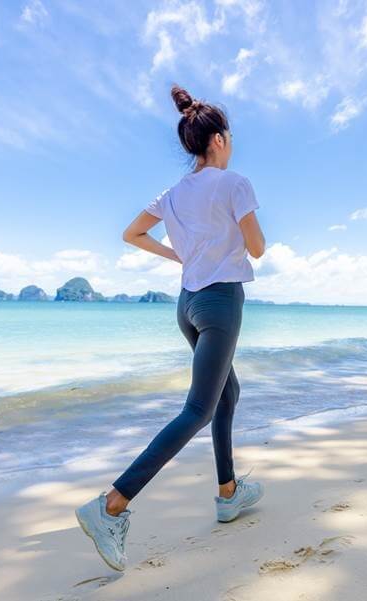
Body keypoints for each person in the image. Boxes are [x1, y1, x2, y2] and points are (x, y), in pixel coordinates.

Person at [75, 84, 267, 572]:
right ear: (219, 139)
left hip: (187, 304)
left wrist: (176, 252)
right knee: (199, 409)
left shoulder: (173, 193)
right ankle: (112, 504)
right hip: (221, 300)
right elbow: (258, 248)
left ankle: (228, 493)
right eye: (229, 137)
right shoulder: (235, 183)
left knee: (227, 394)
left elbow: (131, 233)